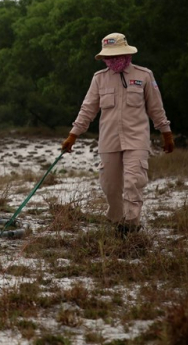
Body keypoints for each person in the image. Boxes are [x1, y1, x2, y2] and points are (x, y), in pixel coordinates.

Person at [61, 33, 174, 234]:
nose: (113, 60)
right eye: (109, 57)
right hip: (108, 140)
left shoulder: (144, 75)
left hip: (137, 139)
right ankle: (117, 222)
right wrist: (73, 135)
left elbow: (156, 108)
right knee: (110, 186)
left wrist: (166, 133)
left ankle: (130, 226)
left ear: (126, 53)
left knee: (133, 182)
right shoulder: (99, 79)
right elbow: (87, 109)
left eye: (116, 55)